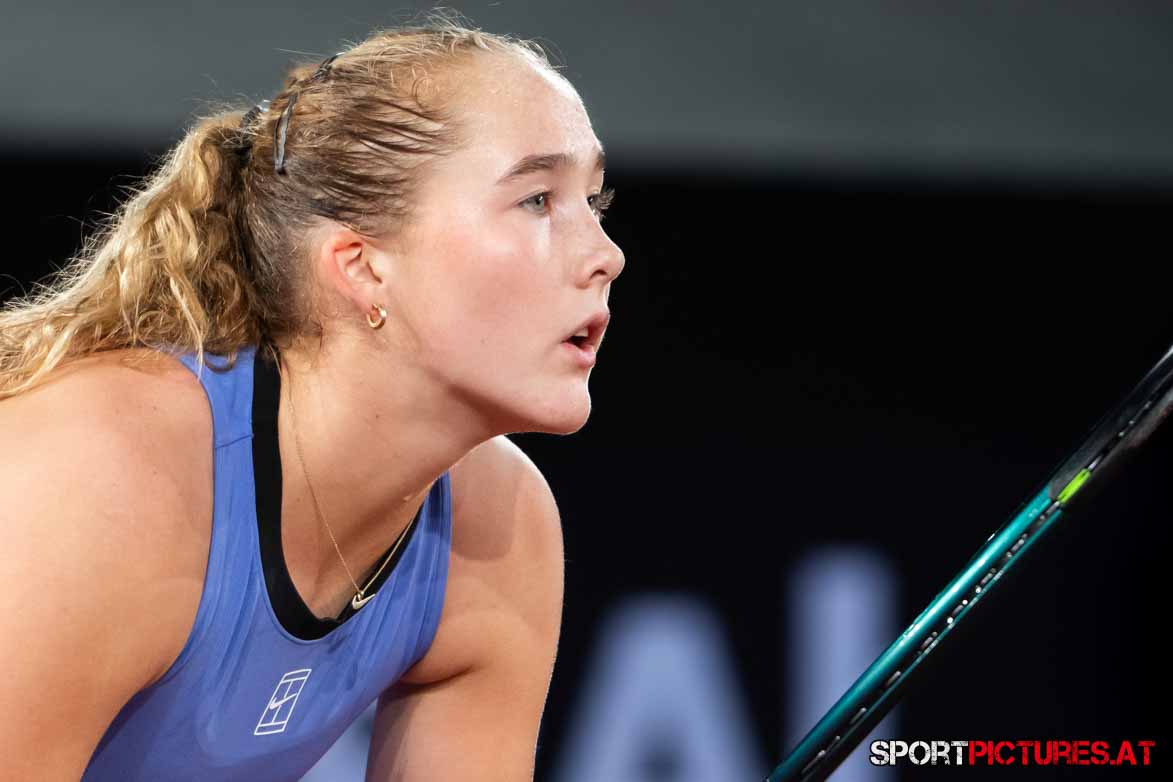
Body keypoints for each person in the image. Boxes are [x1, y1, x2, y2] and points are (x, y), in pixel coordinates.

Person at [0, 12, 624, 780]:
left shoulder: (499, 523)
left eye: (593, 203)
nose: (606, 255)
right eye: (536, 200)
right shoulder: (95, 477)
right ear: (361, 266)